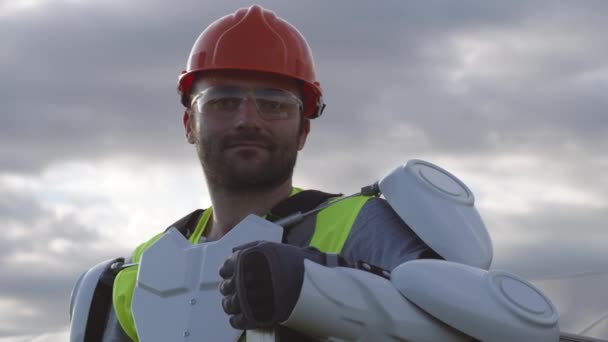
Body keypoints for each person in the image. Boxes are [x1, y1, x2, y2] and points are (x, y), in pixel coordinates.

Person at [70, 4, 559, 342]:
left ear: (303, 130)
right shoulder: (144, 267)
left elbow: (474, 324)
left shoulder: (361, 224)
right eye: (221, 101)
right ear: (189, 124)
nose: (247, 119)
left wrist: (317, 285)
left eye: (273, 104)